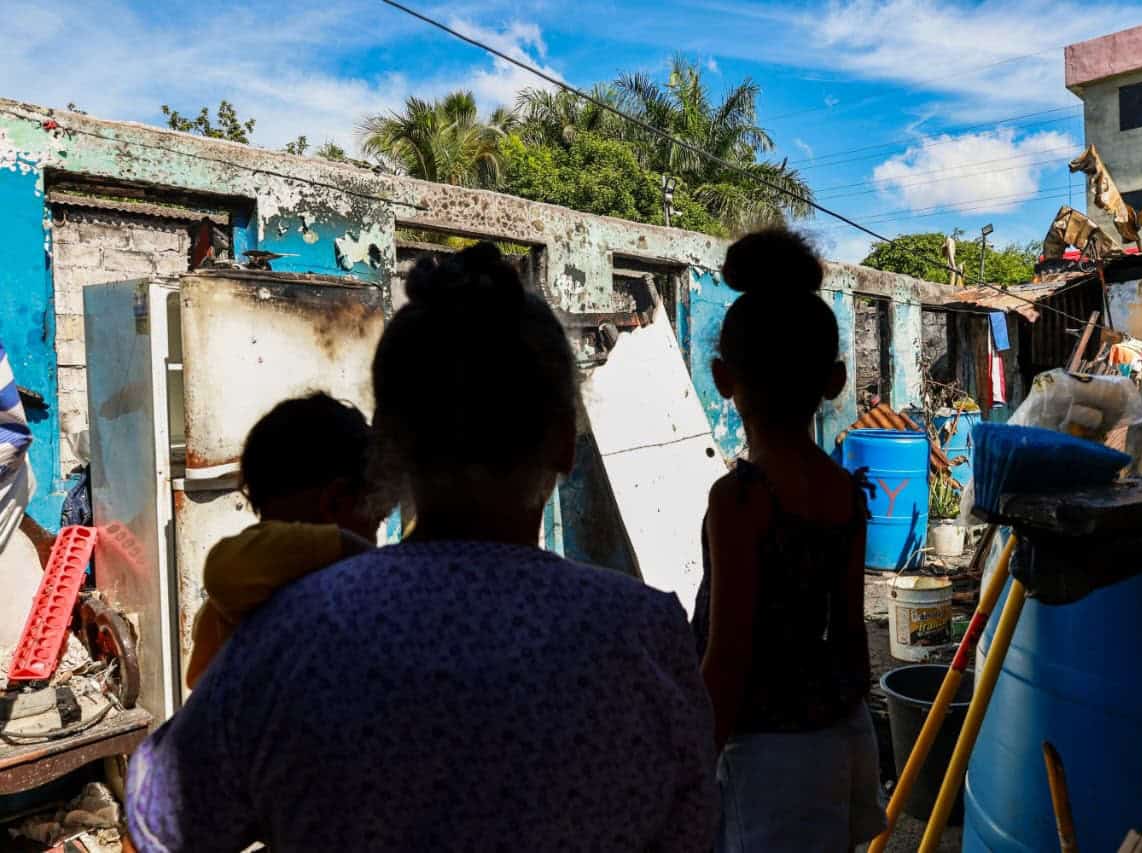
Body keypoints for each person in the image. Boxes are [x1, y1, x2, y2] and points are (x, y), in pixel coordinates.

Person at [127, 243, 717, 852]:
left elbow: (157, 824)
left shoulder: (291, 634)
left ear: (387, 450)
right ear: (565, 444)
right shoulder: (644, 638)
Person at [692, 228, 885, 852]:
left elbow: (727, 659)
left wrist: (689, 774)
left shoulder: (739, 500)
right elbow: (852, 639)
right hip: (842, 735)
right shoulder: (845, 492)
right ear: (834, 381)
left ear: (723, 378)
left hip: (764, 755)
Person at [184, 393, 382, 688]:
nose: (374, 535)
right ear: (335, 501)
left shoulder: (275, 578)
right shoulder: (257, 577)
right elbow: (221, 569)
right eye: (375, 519)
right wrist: (360, 553)